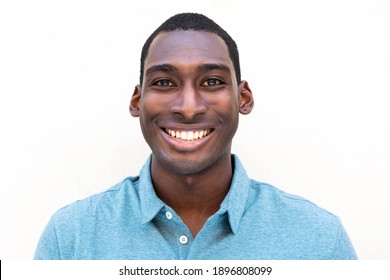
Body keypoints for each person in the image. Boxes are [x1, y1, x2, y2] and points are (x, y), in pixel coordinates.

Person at [34, 13, 357, 260]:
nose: (188, 108)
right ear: (137, 101)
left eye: (212, 81)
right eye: (163, 83)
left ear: (243, 98)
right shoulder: (70, 237)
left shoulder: (320, 240)